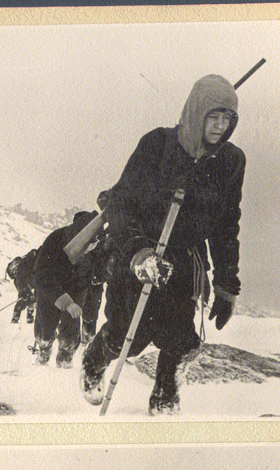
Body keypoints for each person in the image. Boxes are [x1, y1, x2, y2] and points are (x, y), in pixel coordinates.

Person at [81, 75, 246, 415]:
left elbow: (227, 224)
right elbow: (121, 203)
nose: (219, 126)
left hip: (183, 261)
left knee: (181, 340)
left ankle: (164, 396)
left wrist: (227, 283)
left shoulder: (230, 161)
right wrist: (139, 252)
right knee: (130, 335)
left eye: (226, 118)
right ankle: (95, 358)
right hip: (137, 252)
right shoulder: (157, 144)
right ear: (196, 112)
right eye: (212, 116)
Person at [31, 211, 109, 368]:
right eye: (89, 245)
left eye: (94, 245)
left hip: (77, 288)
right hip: (51, 288)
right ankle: (43, 352)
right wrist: (65, 301)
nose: (91, 249)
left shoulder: (97, 243)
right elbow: (42, 275)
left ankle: (65, 361)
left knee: (71, 327)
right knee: (46, 323)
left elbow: (100, 271)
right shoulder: (55, 240)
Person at [5, 249, 38, 325]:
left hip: (30, 283)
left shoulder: (22, 270)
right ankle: (28, 317)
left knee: (26, 297)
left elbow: (22, 288)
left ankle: (18, 317)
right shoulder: (27, 264)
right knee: (29, 297)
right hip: (33, 282)